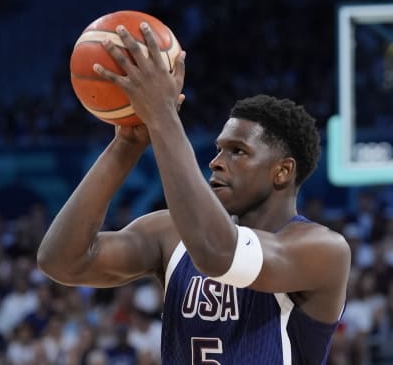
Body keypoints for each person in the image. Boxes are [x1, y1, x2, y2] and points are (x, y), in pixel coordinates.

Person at [37, 22, 350, 364]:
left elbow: (218, 252)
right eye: (218, 149)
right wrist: (126, 144)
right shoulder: (170, 233)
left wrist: (163, 116)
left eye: (238, 151)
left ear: (282, 171)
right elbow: (61, 261)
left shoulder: (322, 250)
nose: (216, 162)